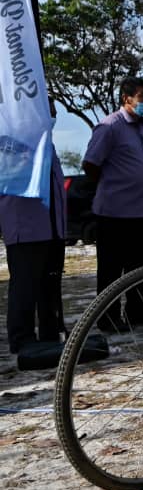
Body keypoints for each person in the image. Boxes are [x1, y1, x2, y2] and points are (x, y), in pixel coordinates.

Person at [82, 77, 143, 327]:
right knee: (111, 271)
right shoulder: (109, 126)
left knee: (139, 268)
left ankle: (138, 314)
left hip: (140, 211)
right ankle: (108, 319)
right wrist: (112, 184)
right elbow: (90, 164)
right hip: (114, 212)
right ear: (127, 99)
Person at [1, 104, 66, 358]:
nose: (52, 113)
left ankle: (52, 333)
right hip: (25, 227)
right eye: (46, 107)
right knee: (25, 285)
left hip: (52, 227)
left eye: (53, 108)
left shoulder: (47, 143)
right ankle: (22, 338)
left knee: (50, 283)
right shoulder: (10, 141)